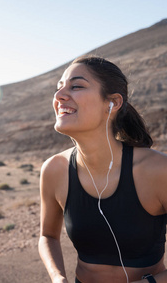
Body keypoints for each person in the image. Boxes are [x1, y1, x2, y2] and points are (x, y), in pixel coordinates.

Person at [38, 55, 167, 283]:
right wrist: (58, 278)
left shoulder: (157, 170)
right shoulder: (54, 170)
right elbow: (48, 236)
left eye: (76, 86)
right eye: (59, 88)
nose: (59, 96)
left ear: (113, 103)